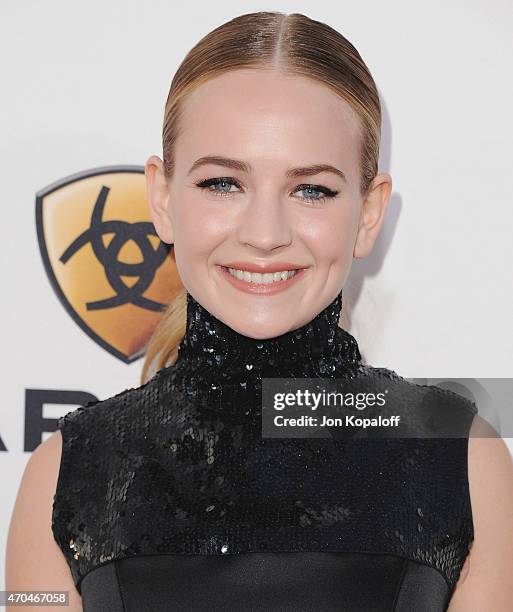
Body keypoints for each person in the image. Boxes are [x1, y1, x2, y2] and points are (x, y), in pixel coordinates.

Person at [6, 10, 513, 612]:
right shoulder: (66, 472)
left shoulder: (461, 458)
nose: (265, 233)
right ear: (163, 199)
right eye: (223, 183)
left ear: (369, 214)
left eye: (311, 189)